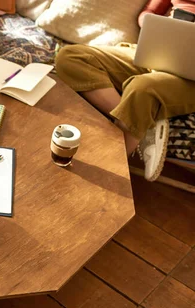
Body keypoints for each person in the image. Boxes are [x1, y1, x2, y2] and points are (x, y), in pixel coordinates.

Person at [55, 0, 195, 181]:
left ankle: (103, 176)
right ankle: (144, 126)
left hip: (189, 78)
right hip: (158, 52)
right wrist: (161, 29)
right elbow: (148, 12)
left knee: (140, 89)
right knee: (70, 57)